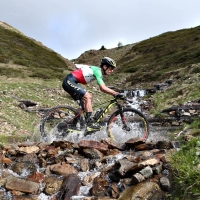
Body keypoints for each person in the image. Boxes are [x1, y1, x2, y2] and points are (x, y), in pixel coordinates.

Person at [62, 57, 125, 132]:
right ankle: (89, 124)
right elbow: (103, 88)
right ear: (105, 67)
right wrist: (116, 93)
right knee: (88, 97)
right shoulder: (98, 71)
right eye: (111, 68)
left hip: (71, 82)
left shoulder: (97, 71)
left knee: (84, 104)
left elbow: (103, 87)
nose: (112, 71)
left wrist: (113, 92)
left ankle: (73, 125)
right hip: (69, 81)